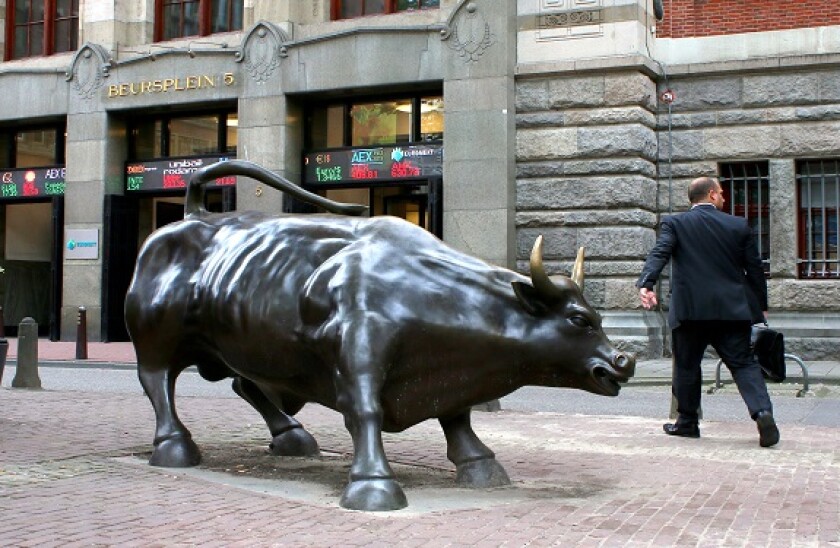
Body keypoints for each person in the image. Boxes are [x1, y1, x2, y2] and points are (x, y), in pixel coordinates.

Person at [636, 176, 779, 447]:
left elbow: (660, 252)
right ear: (712, 195)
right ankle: (763, 413)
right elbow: (755, 269)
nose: (724, 198)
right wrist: (760, 307)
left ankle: (687, 423)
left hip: (689, 310)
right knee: (744, 365)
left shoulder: (675, 223)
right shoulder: (737, 225)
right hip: (731, 310)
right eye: (722, 193)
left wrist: (647, 283)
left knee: (687, 366)